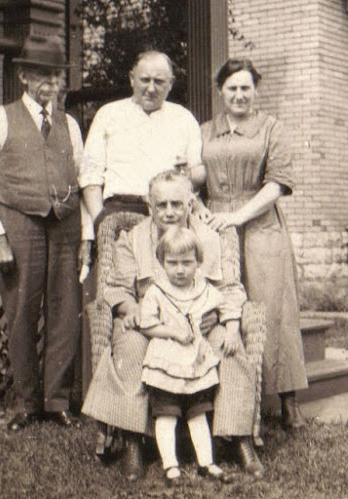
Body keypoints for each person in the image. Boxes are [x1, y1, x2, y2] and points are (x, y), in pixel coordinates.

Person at [83, 170, 264, 480]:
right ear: (150, 205)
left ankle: (240, 439)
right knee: (130, 346)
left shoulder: (209, 237)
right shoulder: (133, 238)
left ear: (190, 204)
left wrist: (223, 319)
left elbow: (230, 288)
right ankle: (132, 442)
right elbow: (116, 288)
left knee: (230, 348)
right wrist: (136, 311)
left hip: (202, 324)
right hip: (152, 326)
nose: (169, 212)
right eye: (162, 204)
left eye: (177, 204)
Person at [0, 35, 92, 431]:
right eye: (41, 73)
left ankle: (57, 401)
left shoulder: (70, 124)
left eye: (55, 75)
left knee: (64, 313)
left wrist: (86, 234)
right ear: (23, 75)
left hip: (65, 224)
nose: (50, 82)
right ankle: (27, 403)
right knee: (21, 313)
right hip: (18, 223)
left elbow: (84, 178)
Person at [191, 58, 308, 429]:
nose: (239, 95)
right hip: (213, 227)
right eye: (232, 88)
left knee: (272, 305)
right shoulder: (205, 131)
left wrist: (238, 216)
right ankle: (222, 396)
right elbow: (191, 178)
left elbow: (277, 184)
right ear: (220, 91)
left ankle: (287, 401)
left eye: (246, 88)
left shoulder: (272, 128)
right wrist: (203, 211)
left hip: (260, 227)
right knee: (219, 304)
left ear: (256, 91)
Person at [139, 226, 239, 485]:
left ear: (198, 263)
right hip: (167, 361)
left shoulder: (203, 288)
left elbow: (228, 303)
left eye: (187, 262)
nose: (180, 269)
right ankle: (170, 464)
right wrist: (170, 331)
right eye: (172, 263)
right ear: (161, 263)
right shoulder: (157, 291)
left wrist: (231, 328)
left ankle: (207, 462)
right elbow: (146, 323)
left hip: (195, 363)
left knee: (198, 414)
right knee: (167, 413)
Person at [80, 49, 202, 248]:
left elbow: (195, 174)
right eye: (145, 80)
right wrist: (100, 221)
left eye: (159, 81)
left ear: (170, 84)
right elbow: (90, 176)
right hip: (118, 211)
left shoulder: (184, 119)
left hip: (169, 216)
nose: (151, 89)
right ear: (131, 79)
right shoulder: (108, 114)